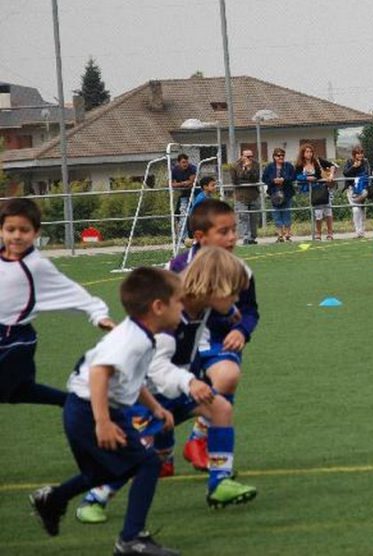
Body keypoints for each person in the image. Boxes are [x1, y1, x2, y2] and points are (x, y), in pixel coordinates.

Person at [75, 248, 258, 523]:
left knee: (219, 408)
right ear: (213, 288)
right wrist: (190, 382)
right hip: (147, 394)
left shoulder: (203, 303)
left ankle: (219, 482)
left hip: (174, 387)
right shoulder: (168, 322)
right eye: (233, 293)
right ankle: (95, 498)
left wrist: (232, 313)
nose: (236, 300)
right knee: (138, 452)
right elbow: (155, 367)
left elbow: (221, 302)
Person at [29, 267, 182, 555]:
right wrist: (102, 422)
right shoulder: (132, 339)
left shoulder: (140, 334)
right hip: (90, 411)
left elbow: (129, 380)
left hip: (90, 409)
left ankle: (52, 499)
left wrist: (156, 407)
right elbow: (99, 373)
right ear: (158, 307)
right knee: (147, 463)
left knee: (101, 471)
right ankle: (131, 539)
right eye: (179, 302)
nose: (183, 308)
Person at [168, 200, 260, 473]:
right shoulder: (179, 265)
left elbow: (250, 311)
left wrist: (240, 330)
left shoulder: (241, 269)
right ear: (200, 237)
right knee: (165, 397)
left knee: (227, 376)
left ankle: (199, 440)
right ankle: (158, 450)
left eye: (234, 230)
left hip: (220, 342)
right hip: (183, 344)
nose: (232, 237)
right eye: (223, 232)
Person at [1, 198, 114, 407]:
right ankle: (82, 405)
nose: (16, 235)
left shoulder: (36, 266)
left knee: (13, 390)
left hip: (15, 342)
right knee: (20, 392)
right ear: (1, 231)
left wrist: (99, 314)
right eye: (10, 229)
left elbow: (73, 293)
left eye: (24, 230)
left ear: (36, 233)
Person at [295, 143, 337, 241]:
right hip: (311, 191)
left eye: (311, 152)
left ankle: (330, 233)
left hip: (322, 188)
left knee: (328, 211)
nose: (309, 154)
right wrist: (307, 177)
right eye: (307, 152)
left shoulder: (318, 161)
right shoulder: (300, 165)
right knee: (318, 213)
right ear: (303, 153)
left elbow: (332, 166)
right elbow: (296, 176)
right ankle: (318, 233)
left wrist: (331, 175)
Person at [261, 148, 296, 242]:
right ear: (274, 157)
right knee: (276, 214)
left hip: (287, 193)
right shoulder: (269, 167)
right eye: (278, 155)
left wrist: (284, 179)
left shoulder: (288, 166)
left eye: (282, 155)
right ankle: (280, 235)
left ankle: (288, 234)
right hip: (274, 193)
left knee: (287, 213)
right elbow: (264, 179)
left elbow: (293, 177)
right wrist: (273, 181)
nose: (280, 157)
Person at [230, 148, 261, 245]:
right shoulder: (234, 166)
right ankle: (246, 237)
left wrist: (249, 170)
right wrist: (244, 170)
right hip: (241, 196)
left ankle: (252, 237)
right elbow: (235, 181)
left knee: (254, 217)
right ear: (242, 156)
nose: (250, 158)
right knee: (243, 216)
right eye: (247, 156)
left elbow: (255, 178)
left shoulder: (256, 164)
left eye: (251, 156)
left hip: (254, 194)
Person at [343, 146, 370, 238]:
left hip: (362, 189)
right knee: (355, 210)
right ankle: (358, 231)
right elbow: (346, 173)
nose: (360, 155)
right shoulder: (349, 162)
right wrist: (354, 167)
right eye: (358, 153)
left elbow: (367, 173)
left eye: (361, 153)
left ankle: (362, 231)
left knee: (362, 209)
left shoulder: (365, 162)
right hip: (351, 189)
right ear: (354, 155)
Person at [169, 153, 197, 235]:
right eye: (183, 162)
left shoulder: (192, 168)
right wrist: (183, 183)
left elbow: (191, 183)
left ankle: (194, 233)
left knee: (194, 212)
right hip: (184, 194)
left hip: (194, 192)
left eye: (186, 162)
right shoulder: (175, 170)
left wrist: (180, 184)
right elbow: (172, 184)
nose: (185, 164)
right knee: (179, 213)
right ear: (179, 163)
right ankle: (182, 235)